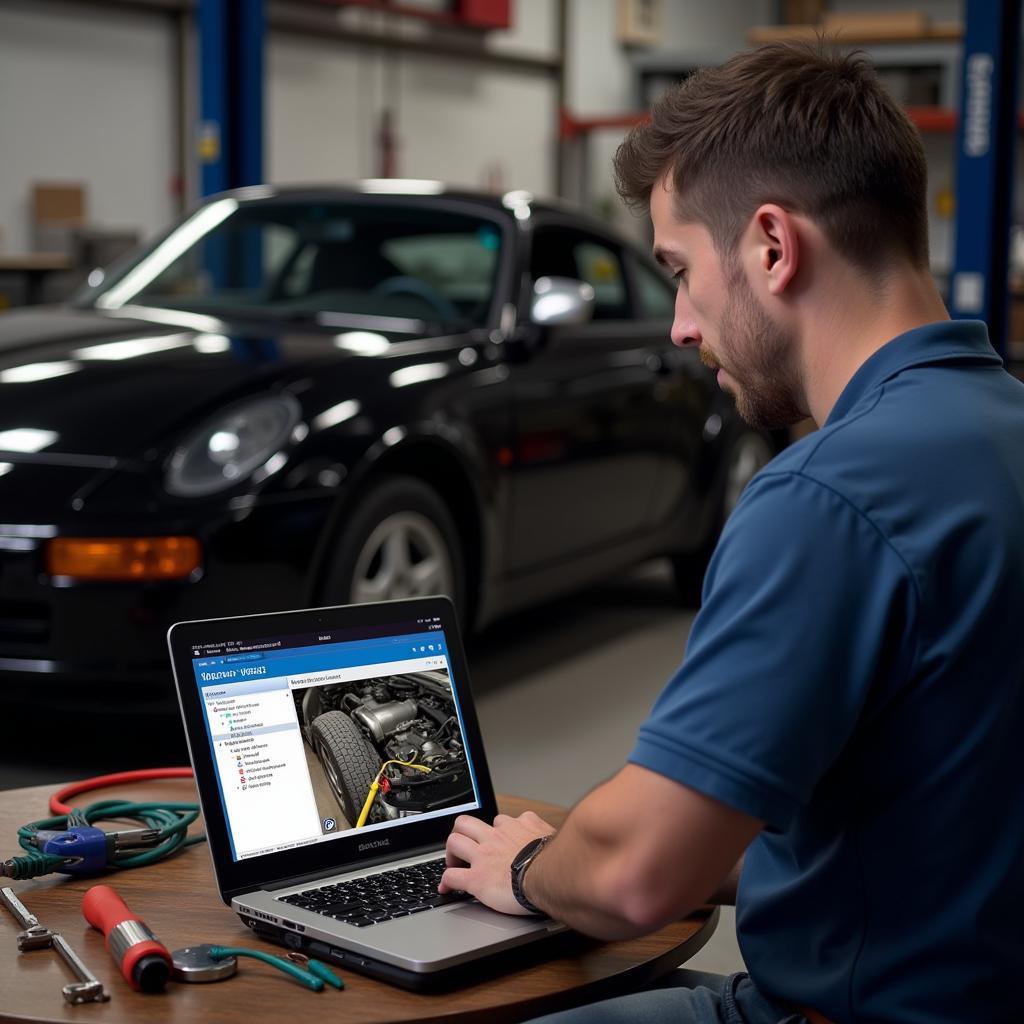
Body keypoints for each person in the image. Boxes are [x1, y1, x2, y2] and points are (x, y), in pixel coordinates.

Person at [439, 41, 1024, 1024]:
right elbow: (925, 818)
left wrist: (532, 865)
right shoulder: (1001, 431)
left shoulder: (828, 496)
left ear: (769, 245)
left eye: (676, 270)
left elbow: (635, 879)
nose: (677, 324)